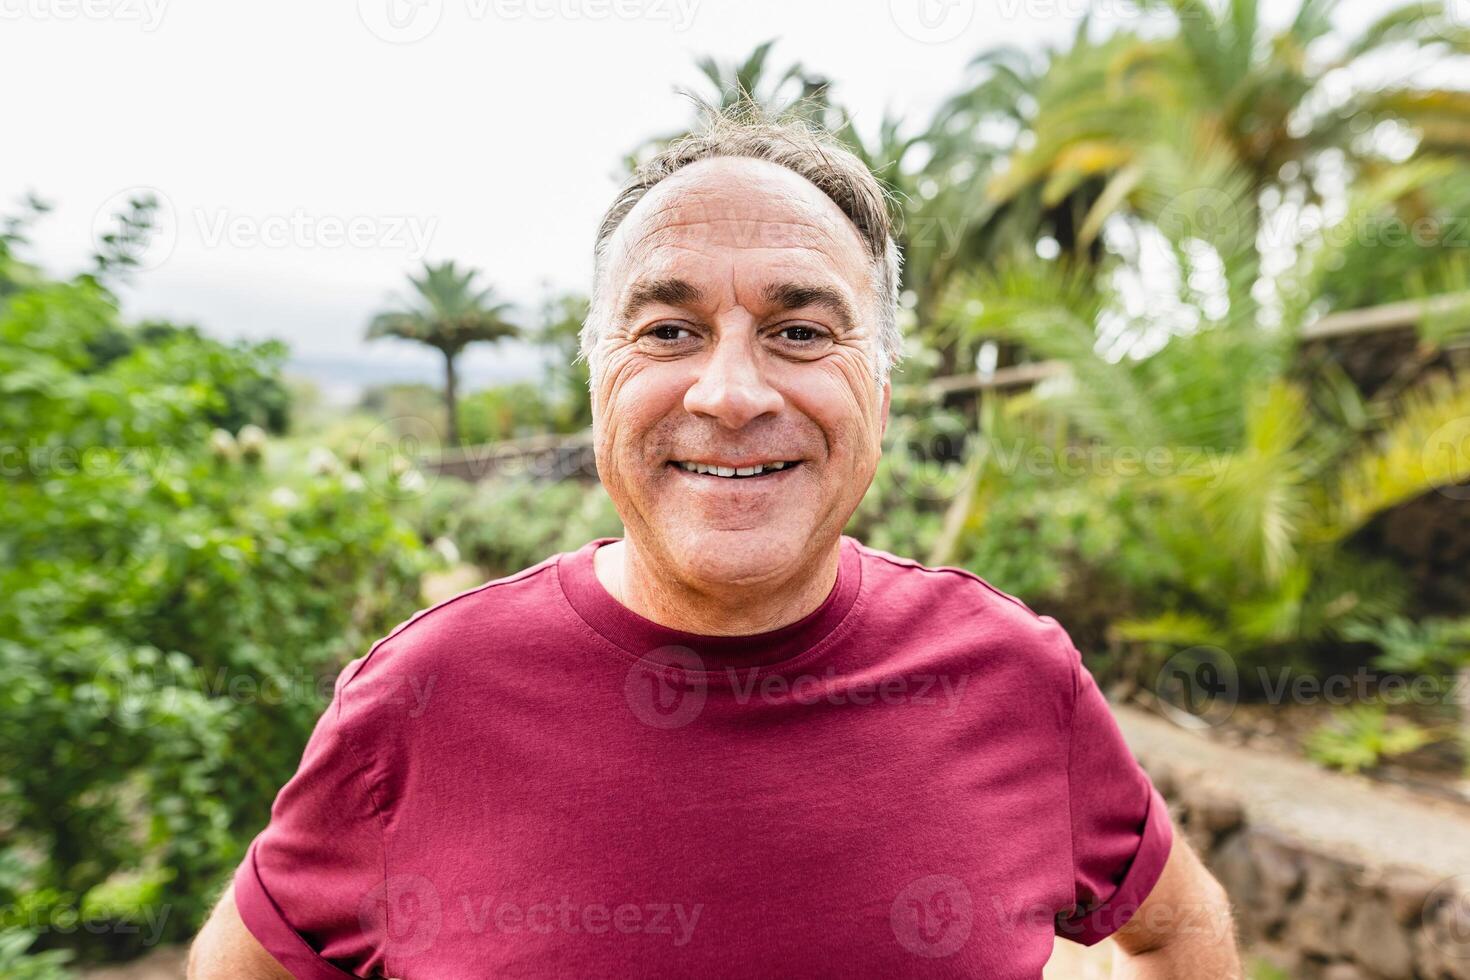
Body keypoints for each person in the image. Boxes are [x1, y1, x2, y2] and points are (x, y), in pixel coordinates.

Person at [189, 105, 1240, 979]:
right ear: (597, 371)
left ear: (882, 381)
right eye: (669, 329)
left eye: (800, 331)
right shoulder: (422, 697)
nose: (731, 392)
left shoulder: (1012, 674)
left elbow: (1183, 931)